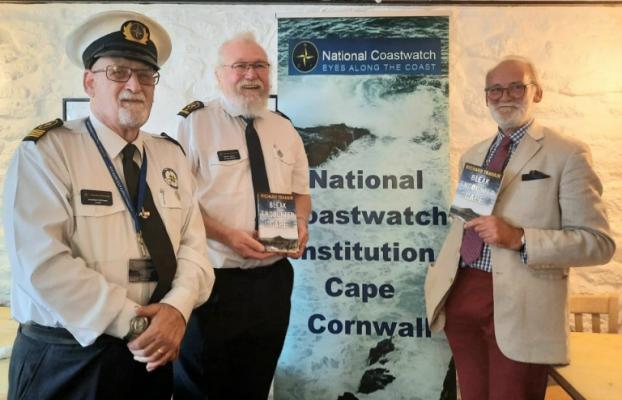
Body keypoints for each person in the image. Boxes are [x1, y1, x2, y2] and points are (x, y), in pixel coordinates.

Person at [2, 10, 214, 400]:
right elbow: (43, 264)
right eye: (118, 71)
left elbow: (194, 247)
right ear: (89, 81)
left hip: (151, 354)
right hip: (69, 357)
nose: (134, 84)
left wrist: (177, 309)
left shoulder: (170, 156)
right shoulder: (47, 153)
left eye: (146, 75)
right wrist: (136, 325)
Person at [424, 56, 615, 400]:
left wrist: (521, 239)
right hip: (462, 297)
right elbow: (464, 226)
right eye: (495, 90)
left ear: (537, 92)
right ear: (485, 97)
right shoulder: (473, 154)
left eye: (516, 86)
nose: (505, 96)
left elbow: (598, 243)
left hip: (521, 307)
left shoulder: (567, 153)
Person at [173, 32, 311, 400]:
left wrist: (300, 223)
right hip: (214, 283)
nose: (252, 74)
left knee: (255, 382)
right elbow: (178, 205)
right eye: (240, 66)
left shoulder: (284, 127)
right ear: (219, 75)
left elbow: (301, 193)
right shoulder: (194, 125)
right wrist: (226, 235)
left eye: (260, 66)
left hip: (273, 281)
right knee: (202, 388)